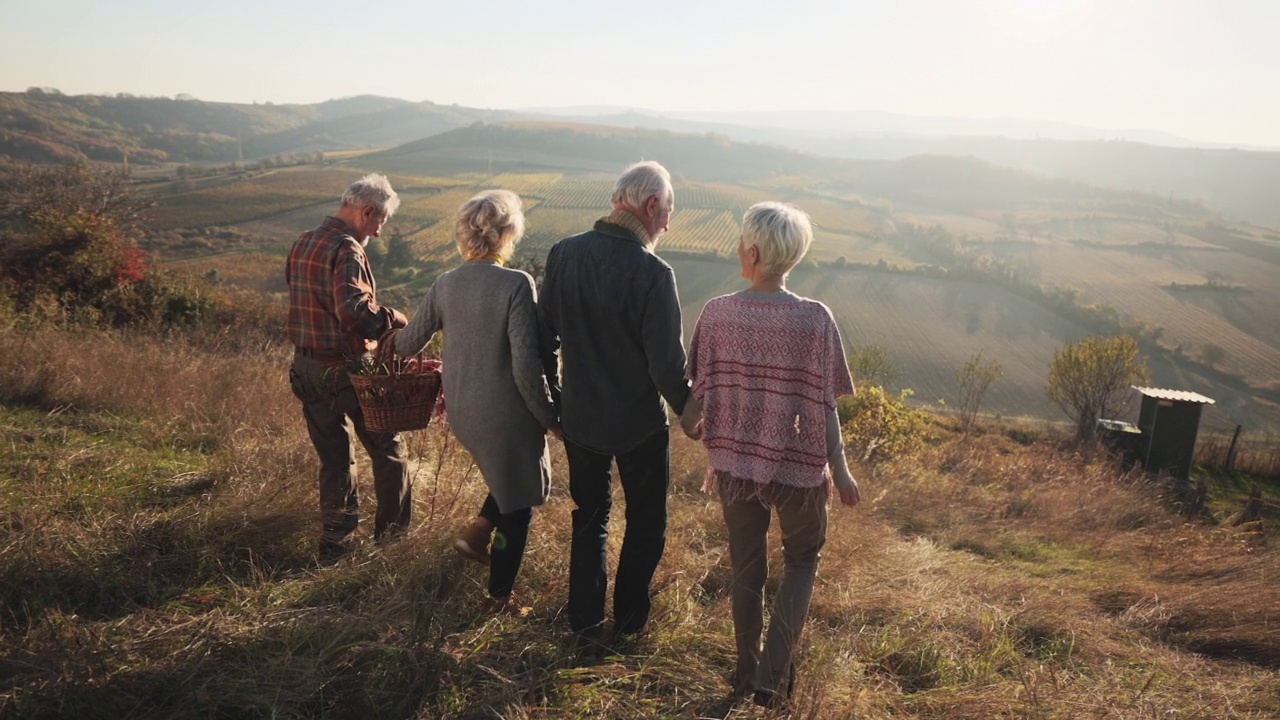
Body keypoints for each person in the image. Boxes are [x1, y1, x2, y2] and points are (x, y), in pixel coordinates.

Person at [684, 201, 860, 709]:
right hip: (800, 467)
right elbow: (823, 404)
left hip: (736, 465)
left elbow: (698, 387)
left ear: (755, 251)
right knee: (802, 562)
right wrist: (842, 472)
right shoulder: (815, 319)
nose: (739, 250)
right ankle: (771, 677)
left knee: (748, 570)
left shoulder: (718, 313)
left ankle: (745, 673)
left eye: (743, 242)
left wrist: (695, 419)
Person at [539, 160, 699, 651]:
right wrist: (691, 413)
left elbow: (543, 339)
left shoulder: (563, 254)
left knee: (590, 519)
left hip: (580, 418)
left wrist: (554, 405)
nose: (668, 224)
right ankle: (629, 623)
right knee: (647, 522)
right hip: (639, 425)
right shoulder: (654, 272)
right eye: (668, 212)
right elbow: (667, 365)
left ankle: (584, 626)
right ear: (651, 206)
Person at [383, 189, 560, 615]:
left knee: (514, 479)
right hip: (507, 413)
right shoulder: (517, 284)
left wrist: (382, 324)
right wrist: (551, 417)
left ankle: (477, 533)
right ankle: (499, 598)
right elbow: (524, 365)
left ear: (465, 235)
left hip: (462, 411)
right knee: (523, 500)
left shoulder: (445, 283)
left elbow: (406, 344)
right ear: (506, 234)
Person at [285, 173, 410, 559]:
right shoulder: (348, 249)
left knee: (335, 461)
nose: (379, 230)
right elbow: (354, 313)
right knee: (390, 452)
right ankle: (391, 543)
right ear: (368, 211)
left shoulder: (304, 240)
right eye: (380, 222)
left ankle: (335, 544)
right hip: (346, 370)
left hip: (306, 367)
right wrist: (395, 320)